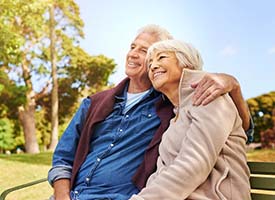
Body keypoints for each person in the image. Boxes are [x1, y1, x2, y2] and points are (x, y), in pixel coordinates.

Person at [48, 25, 253, 200]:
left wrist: (234, 86)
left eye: (148, 52)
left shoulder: (175, 105)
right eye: (132, 47)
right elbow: (63, 158)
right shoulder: (94, 103)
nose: (135, 54)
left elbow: (238, 132)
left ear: (183, 62)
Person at [130, 39, 250, 200]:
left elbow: (194, 164)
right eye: (150, 62)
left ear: (186, 62)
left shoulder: (208, 96)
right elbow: (162, 172)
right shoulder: (175, 117)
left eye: (162, 57)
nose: (153, 66)